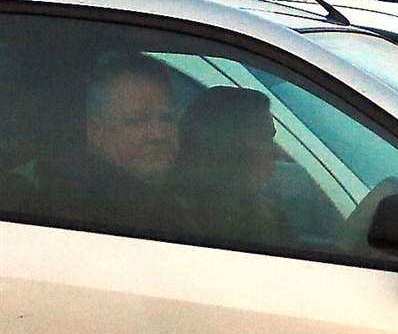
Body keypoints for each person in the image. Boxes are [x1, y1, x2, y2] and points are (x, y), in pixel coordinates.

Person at [39, 55, 186, 236]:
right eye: (137, 120)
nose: (159, 134)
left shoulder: (185, 199)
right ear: (95, 132)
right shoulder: (71, 208)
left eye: (167, 118)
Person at [177, 87, 289, 249]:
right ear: (225, 145)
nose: (278, 153)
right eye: (262, 138)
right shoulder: (175, 221)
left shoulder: (266, 216)